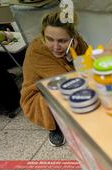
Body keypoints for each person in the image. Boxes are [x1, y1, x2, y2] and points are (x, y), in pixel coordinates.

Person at [20, 12, 88, 147]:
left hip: (68, 81)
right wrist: (73, 61)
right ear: (43, 36)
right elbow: (66, 82)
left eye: (62, 41)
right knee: (60, 93)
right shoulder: (37, 50)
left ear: (72, 38)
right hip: (39, 95)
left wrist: (72, 57)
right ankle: (54, 126)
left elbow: (88, 66)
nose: (56, 46)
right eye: (49, 39)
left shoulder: (77, 42)